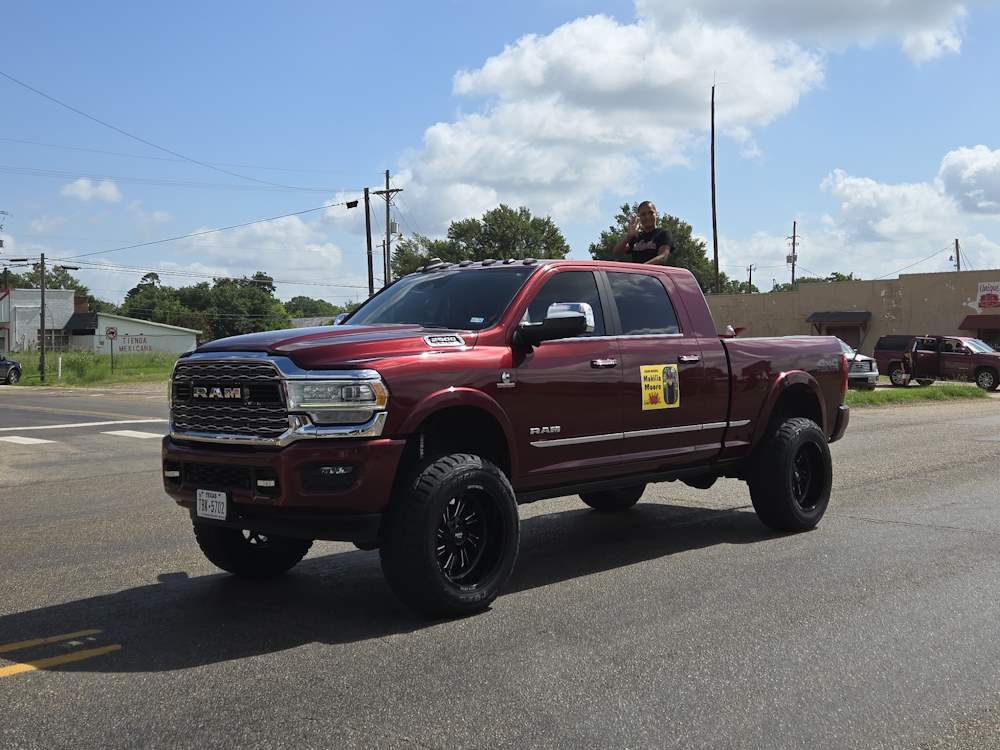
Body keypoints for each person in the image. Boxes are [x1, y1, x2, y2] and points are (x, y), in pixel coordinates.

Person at [613, 200, 674, 265]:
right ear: (639, 217)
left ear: (656, 214)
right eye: (643, 214)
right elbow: (617, 252)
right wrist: (629, 236)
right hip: (638, 274)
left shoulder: (663, 234)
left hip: (653, 274)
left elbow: (662, 257)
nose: (647, 217)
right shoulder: (636, 237)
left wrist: (641, 269)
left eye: (651, 213)